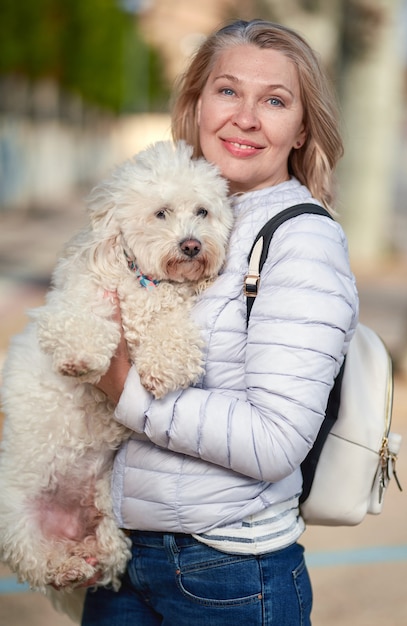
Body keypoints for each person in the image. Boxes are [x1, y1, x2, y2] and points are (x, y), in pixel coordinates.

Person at [81, 19, 359, 625]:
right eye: (228, 90)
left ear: (302, 127)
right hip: (127, 556)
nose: (247, 117)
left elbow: (275, 440)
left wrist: (126, 390)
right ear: (197, 103)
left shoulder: (302, 240)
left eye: (276, 101)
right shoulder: (173, 215)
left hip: (228, 572)